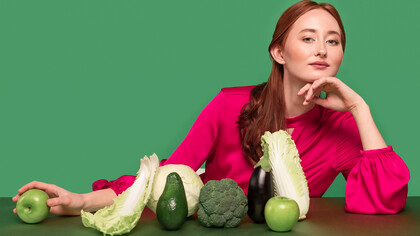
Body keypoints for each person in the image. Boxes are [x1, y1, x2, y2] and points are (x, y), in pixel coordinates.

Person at [13, 0, 410, 216]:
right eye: (308, 38)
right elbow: (167, 175)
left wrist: (359, 107)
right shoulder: (229, 104)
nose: (322, 49)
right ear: (279, 52)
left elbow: (384, 201)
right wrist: (80, 200)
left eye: (333, 41)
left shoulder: (338, 126)